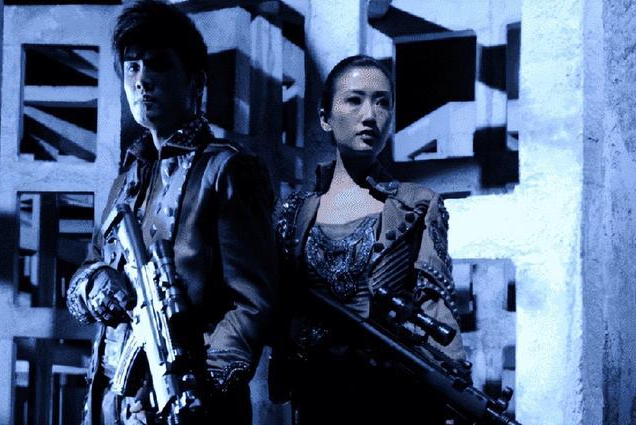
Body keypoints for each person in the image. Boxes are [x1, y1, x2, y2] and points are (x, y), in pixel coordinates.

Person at [66, 1, 277, 424]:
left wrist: (192, 390)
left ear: (195, 81)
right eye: (132, 67)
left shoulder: (227, 169)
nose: (142, 80)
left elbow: (253, 304)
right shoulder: (128, 175)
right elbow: (90, 265)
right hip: (112, 403)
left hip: (187, 405)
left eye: (159, 65)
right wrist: (95, 284)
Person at [270, 55, 465, 425]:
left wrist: (457, 389)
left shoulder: (418, 204)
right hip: (314, 403)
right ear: (325, 117)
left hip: (392, 402)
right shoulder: (291, 214)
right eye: (354, 100)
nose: (370, 115)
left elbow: (437, 310)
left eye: (382, 102)